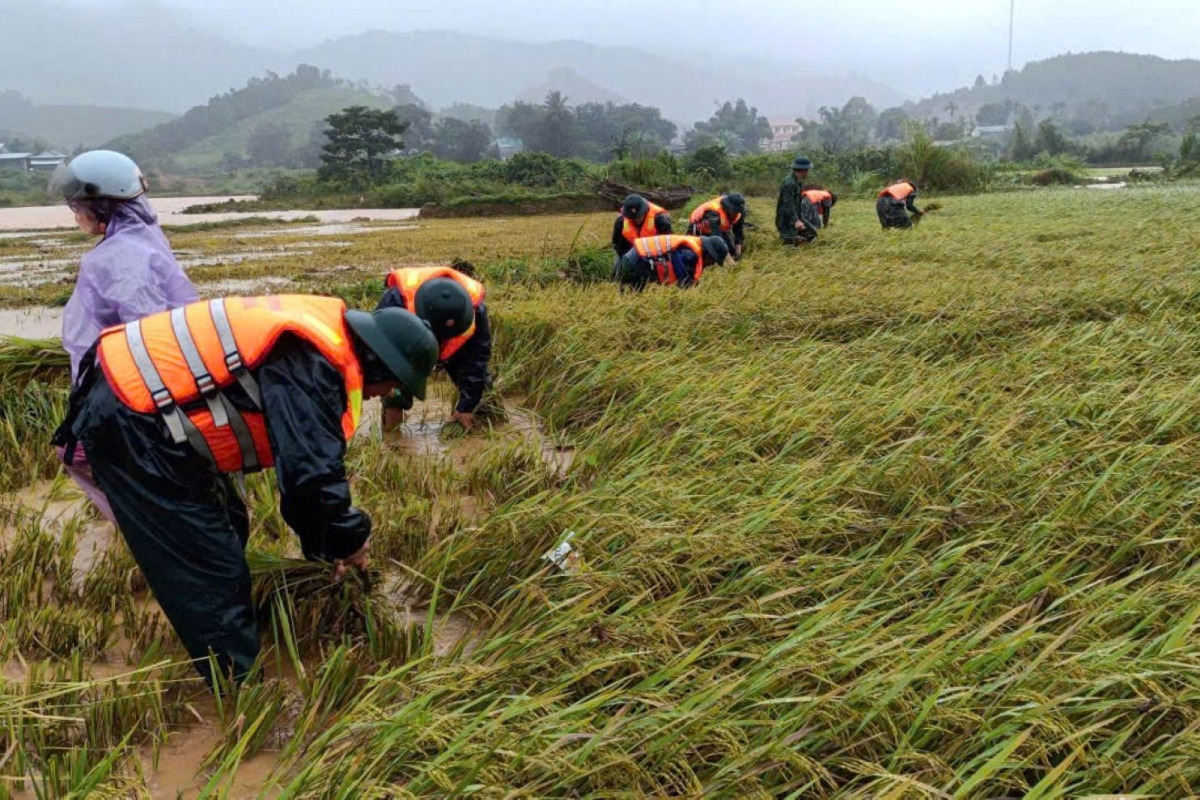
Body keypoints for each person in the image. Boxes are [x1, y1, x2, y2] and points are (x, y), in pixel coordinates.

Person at [55, 295, 439, 685]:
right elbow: (310, 478)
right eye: (392, 384)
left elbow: (305, 481)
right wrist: (348, 541)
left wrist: (324, 549)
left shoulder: (320, 341)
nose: (382, 395)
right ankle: (240, 692)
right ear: (378, 360)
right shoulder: (313, 364)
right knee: (210, 566)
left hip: (146, 411)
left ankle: (233, 637)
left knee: (230, 522)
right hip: (131, 421)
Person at [49, 149, 199, 525]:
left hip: (126, 393)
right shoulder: (144, 238)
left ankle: (148, 534)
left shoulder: (118, 255)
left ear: (101, 206)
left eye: (76, 206)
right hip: (146, 386)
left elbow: (145, 332)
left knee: (79, 455)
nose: (75, 215)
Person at [376, 266, 492, 431]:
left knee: (480, 385)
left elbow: (477, 361)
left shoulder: (476, 311)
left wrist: (466, 407)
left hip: (455, 344)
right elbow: (382, 353)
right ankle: (392, 438)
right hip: (409, 343)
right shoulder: (396, 303)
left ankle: (473, 427)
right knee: (394, 387)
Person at [616, 235, 729, 291]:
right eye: (713, 260)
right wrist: (692, 292)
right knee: (636, 300)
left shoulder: (692, 246)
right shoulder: (690, 253)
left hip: (632, 259)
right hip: (636, 263)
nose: (712, 264)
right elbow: (683, 277)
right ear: (709, 254)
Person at [611, 194, 673, 259]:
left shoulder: (660, 219)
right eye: (632, 218)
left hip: (656, 255)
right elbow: (618, 245)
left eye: (638, 217)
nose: (636, 220)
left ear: (645, 211)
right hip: (631, 256)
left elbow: (667, 244)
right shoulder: (621, 221)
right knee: (619, 265)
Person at [687, 193, 747, 260]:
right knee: (704, 256)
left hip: (719, 228)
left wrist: (738, 252)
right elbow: (717, 238)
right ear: (728, 207)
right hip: (701, 229)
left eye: (738, 211)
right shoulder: (713, 213)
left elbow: (739, 231)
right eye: (734, 211)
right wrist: (730, 261)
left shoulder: (739, 212)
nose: (736, 214)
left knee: (731, 251)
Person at [775, 155, 816, 245]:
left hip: (796, 215)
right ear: (804, 171)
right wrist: (796, 220)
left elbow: (796, 203)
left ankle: (798, 240)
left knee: (811, 233)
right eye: (807, 171)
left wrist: (799, 218)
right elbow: (788, 204)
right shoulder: (789, 183)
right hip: (785, 218)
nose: (808, 173)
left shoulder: (797, 182)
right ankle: (791, 240)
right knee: (789, 245)